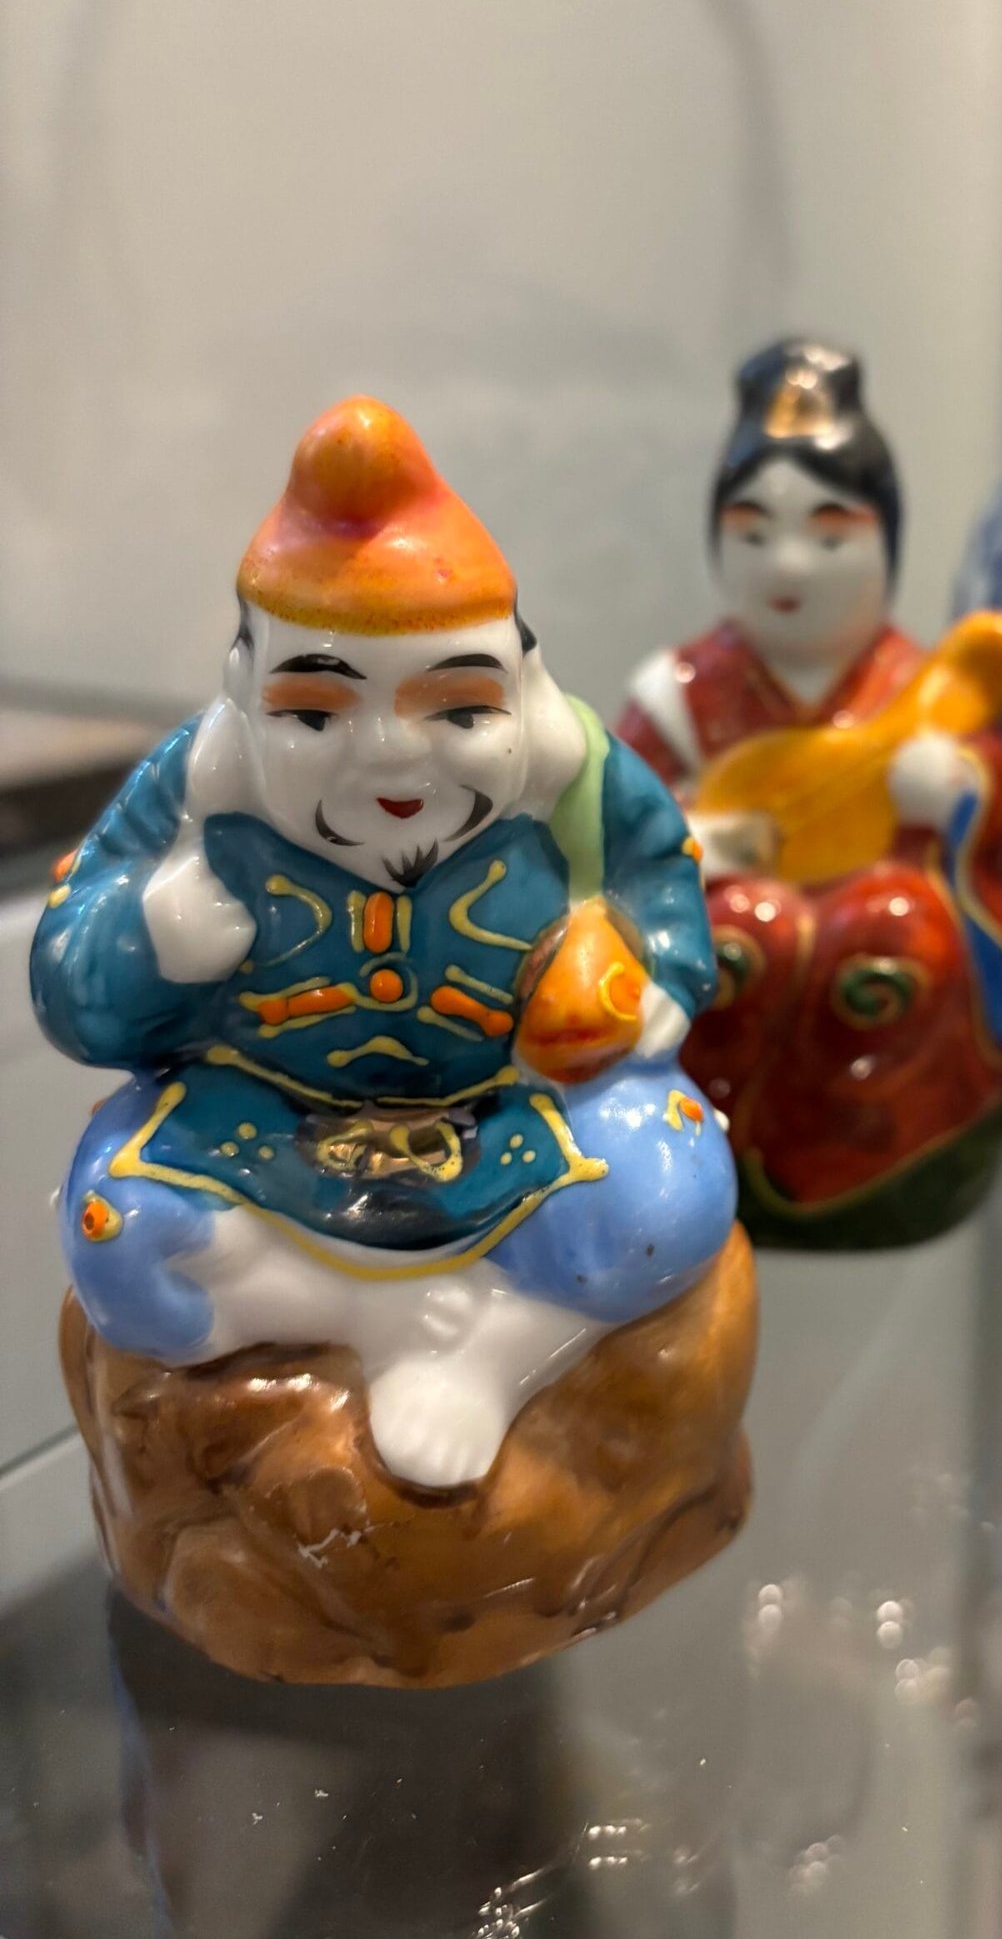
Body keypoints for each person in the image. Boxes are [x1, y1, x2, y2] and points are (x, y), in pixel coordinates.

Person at [33, 397, 736, 1486]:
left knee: (667, 1193)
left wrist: (651, 987)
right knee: (116, 1230)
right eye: (317, 717)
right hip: (261, 1118)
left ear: (522, 684)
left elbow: (665, 881)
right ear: (244, 698)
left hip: (512, 1114)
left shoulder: (578, 779)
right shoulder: (191, 794)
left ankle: (491, 1358)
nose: (395, 763)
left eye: (459, 712)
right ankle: (388, 1326)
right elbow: (72, 980)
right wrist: (153, 939)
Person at [617, 339, 1002, 1248]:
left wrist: (960, 792)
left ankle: (878, 1169)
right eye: (754, 534)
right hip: (730, 932)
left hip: (887, 938)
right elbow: (619, 820)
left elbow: (994, 798)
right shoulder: (681, 694)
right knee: (740, 937)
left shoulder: (922, 691)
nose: (790, 567)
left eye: (829, 534)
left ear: (885, 541)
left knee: (897, 934)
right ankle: (706, 1169)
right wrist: (700, 838)